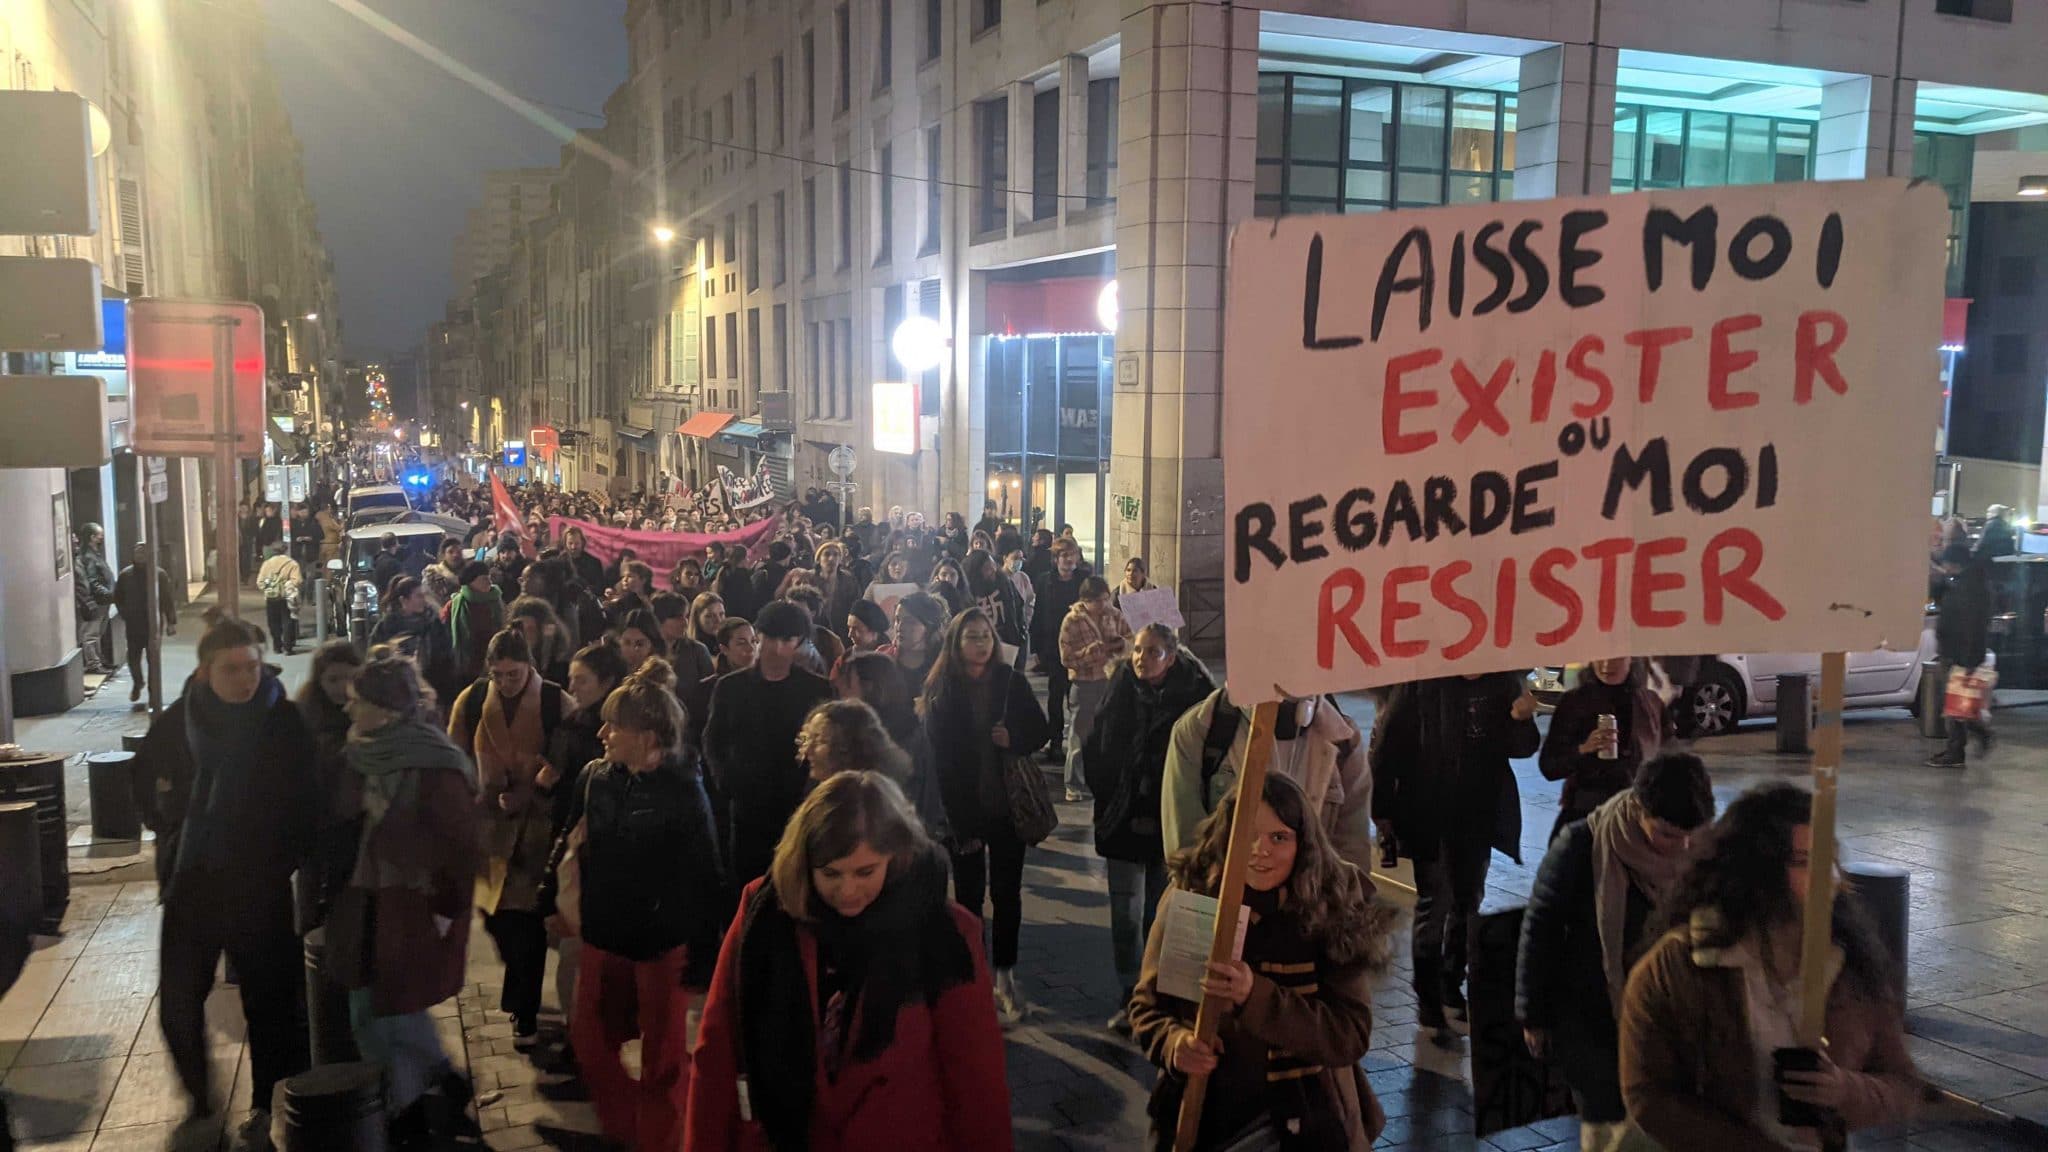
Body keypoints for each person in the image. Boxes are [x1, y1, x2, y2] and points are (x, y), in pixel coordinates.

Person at [685, 771, 1013, 1152]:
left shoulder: (944, 933)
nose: (848, 891)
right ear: (804, 862)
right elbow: (716, 1048)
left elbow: (975, 1081)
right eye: (830, 874)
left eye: (865, 871)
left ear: (896, 855)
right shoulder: (766, 915)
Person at [1620, 783, 1919, 1151]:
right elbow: (1648, 1095)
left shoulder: (1849, 964)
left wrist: (1844, 1089)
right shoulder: (1681, 966)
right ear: (1757, 872)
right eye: (1805, 861)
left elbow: (1902, 1084)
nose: (1830, 877)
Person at [1127, 773, 1394, 1152]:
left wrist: (1256, 997)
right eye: (1246, 833)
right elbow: (1147, 1008)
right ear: (1225, 835)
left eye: (1278, 837)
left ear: (1303, 843)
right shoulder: (1196, 896)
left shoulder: (1329, 909)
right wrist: (1174, 1044)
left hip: (1302, 1121)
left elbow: (1348, 1034)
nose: (1259, 850)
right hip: (1205, 1117)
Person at [139, 613, 315, 1151]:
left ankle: (266, 1101)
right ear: (203, 674)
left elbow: (308, 801)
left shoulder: (282, 721)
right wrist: (172, 830)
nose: (246, 679)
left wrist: (278, 857)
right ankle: (199, 1095)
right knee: (179, 1001)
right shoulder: (176, 724)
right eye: (232, 670)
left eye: (253, 668)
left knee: (269, 1001)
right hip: (192, 884)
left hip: (257, 886)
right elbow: (144, 786)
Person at [539, 661, 728, 1151]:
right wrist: (547, 894)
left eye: (613, 725)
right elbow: (570, 837)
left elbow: (706, 875)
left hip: (659, 944)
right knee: (589, 1042)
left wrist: (704, 957)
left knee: (662, 1063)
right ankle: (629, 1130)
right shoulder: (596, 777)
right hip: (603, 934)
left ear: (646, 735)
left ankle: (661, 1141)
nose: (601, 733)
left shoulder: (685, 791)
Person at [1517, 753, 1716, 1152]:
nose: (1681, 846)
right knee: (1607, 1127)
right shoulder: (1583, 845)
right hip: (1593, 1015)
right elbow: (1542, 927)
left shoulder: (1704, 854)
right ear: (1638, 808)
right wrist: (1532, 1014)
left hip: (1671, 1018)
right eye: (1667, 834)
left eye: (1690, 835)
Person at [331, 656, 480, 1145]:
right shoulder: (360, 750)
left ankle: (414, 1107)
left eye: (359, 701)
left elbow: (460, 847)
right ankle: (431, 1088)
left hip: (414, 906)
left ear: (387, 710)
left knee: (388, 1012)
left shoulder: (435, 763)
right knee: (372, 1010)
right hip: (366, 899)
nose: (349, 709)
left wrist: (444, 909)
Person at [1369, 673, 1540, 1030]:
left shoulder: (1502, 684)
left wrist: (1524, 721)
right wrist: (1382, 810)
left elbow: (1520, 748)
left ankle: (1451, 983)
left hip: (1478, 814)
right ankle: (1428, 995)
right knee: (1436, 903)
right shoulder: (1421, 682)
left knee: (1468, 901)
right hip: (1429, 814)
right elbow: (1389, 745)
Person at [1081, 624, 1214, 1033]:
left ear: (1171, 657)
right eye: (1138, 650)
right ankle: (1129, 995)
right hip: (1121, 817)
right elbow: (1097, 741)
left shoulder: (1194, 696)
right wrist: (1107, 792)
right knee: (1124, 912)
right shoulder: (1121, 685)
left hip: (1168, 820)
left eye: (1153, 651)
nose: (1141, 658)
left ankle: (1157, 998)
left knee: (1162, 914)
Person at [920, 607, 1051, 1021]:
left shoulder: (1009, 682)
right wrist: (958, 824)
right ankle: (973, 976)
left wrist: (1015, 737)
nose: (981, 644)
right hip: (966, 813)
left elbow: (1042, 731)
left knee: (1008, 895)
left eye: (986, 637)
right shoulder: (943, 688)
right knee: (969, 898)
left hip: (1008, 808)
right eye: (972, 637)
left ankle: (1004, 976)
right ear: (956, 643)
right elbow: (939, 764)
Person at [448, 628, 568, 1042]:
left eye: (513, 674)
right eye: (497, 674)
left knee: (527, 922)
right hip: (489, 826)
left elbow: (571, 753)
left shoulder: (553, 700)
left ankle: (524, 1007)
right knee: (495, 918)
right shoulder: (472, 700)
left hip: (537, 828)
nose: (504, 682)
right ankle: (520, 991)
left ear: (529, 666)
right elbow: (456, 756)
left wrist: (539, 785)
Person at [1162, 690, 1375, 868]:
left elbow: (1353, 850)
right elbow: (1186, 851)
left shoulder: (1344, 739)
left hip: (1310, 911)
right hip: (1224, 908)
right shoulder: (1200, 731)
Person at [704, 599, 836, 883]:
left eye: (787, 639)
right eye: (771, 637)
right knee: (748, 885)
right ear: (759, 635)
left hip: (799, 805)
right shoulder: (730, 687)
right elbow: (714, 739)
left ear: (799, 642)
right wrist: (727, 782)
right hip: (747, 806)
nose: (778, 648)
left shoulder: (817, 689)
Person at [1539, 657, 1673, 840]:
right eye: (1598, 657)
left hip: (1636, 819)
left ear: (1631, 658)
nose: (1605, 665)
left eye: (1615, 658)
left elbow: (1669, 760)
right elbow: (1549, 766)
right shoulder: (1574, 702)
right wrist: (1583, 749)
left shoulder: (1650, 704)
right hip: (1586, 815)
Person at [834, 652, 950, 839]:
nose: (840, 689)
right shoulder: (855, 728)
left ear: (870, 687)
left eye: (848, 682)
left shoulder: (902, 736)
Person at [1058, 575, 1132, 803]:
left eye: (1106, 599)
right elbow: (1066, 658)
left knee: (1109, 732)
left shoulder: (1114, 615)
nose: (1103, 605)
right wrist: (1090, 653)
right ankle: (1074, 783)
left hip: (1111, 681)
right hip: (1085, 683)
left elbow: (1131, 637)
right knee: (1080, 735)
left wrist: (1121, 644)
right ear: (1085, 600)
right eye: (1098, 601)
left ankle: (1103, 780)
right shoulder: (1072, 621)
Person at [1930, 541, 1994, 768]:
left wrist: (1967, 660)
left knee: (1954, 707)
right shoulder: (1963, 583)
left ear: (1954, 562)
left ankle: (1957, 751)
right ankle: (1959, 746)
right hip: (1955, 652)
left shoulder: (1970, 587)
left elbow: (1971, 626)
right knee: (1956, 705)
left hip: (1959, 655)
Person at [1032, 539, 1087, 764]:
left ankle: (1079, 743)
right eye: (1064, 556)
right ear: (1056, 559)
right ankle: (1055, 741)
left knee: (1078, 697)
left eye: (1072, 555)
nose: (1068, 560)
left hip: (1081, 647)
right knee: (1055, 696)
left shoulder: (1084, 581)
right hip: (1054, 647)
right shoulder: (1045, 581)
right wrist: (1037, 648)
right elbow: (1038, 614)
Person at [369, 576, 459, 708]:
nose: (423, 600)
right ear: (403, 600)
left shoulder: (433, 623)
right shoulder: (387, 626)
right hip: (397, 693)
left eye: (424, 595)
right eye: (418, 596)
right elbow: (374, 658)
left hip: (432, 689)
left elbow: (446, 656)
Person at [114, 543, 178, 702]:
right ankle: (138, 682)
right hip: (134, 624)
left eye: (143, 552)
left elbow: (167, 599)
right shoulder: (126, 575)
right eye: (137, 551)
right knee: (133, 658)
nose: (139, 554)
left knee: (153, 660)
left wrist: (171, 622)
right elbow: (118, 597)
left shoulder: (159, 575)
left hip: (153, 624)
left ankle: (153, 693)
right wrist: (125, 613)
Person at [449, 560, 505, 686]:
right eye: (484, 579)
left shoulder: (496, 600)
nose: (489, 582)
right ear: (471, 582)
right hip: (470, 666)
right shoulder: (456, 605)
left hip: (496, 661)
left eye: (489, 578)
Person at [74, 522, 115, 674]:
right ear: (92, 537)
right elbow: (92, 580)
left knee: (96, 633)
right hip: (97, 602)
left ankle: (98, 661)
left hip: (102, 601)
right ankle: (94, 664)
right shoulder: (89, 557)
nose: (102, 537)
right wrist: (107, 594)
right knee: (91, 635)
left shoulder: (93, 554)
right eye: (100, 534)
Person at [654, 591, 717, 685]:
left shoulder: (697, 651)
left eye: (686, 616)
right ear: (659, 619)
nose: (685, 623)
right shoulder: (645, 649)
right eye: (678, 618)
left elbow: (709, 689)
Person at [508, 595, 573, 685]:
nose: (524, 635)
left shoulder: (562, 670)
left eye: (530, 629)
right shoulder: (506, 668)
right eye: (521, 629)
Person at [891, 592, 946, 691]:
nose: (900, 627)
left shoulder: (944, 664)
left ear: (929, 627)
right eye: (897, 619)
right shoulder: (885, 659)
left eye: (909, 621)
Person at [257, 541, 304, 656]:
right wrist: (287, 585)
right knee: (288, 620)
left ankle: (277, 645)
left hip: (271, 597)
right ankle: (288, 646)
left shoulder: (267, 564)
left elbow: (260, 582)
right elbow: (297, 580)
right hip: (286, 597)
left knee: (273, 622)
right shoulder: (292, 564)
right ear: (285, 550)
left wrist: (269, 587)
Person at [815, 541, 861, 640]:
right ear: (818, 559)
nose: (831, 558)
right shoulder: (809, 579)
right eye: (827, 554)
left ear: (840, 559)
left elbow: (856, 607)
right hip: (816, 632)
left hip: (843, 632)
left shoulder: (849, 580)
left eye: (836, 554)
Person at [611, 607, 665, 675]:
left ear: (653, 646)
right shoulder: (609, 674)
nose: (632, 650)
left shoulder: (663, 679)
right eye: (627, 643)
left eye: (640, 644)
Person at [423, 537, 466, 609]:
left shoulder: (470, 573)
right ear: (443, 554)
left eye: (458, 552)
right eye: (450, 552)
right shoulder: (432, 573)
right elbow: (429, 598)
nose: (455, 555)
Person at [563, 525, 605, 591]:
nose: (573, 547)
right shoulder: (559, 562)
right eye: (570, 543)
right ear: (565, 543)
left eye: (577, 543)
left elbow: (600, 587)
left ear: (582, 542)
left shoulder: (593, 562)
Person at [370, 531, 406, 604]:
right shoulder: (393, 564)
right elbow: (401, 585)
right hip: (393, 601)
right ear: (396, 543)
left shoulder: (377, 561)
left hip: (382, 600)